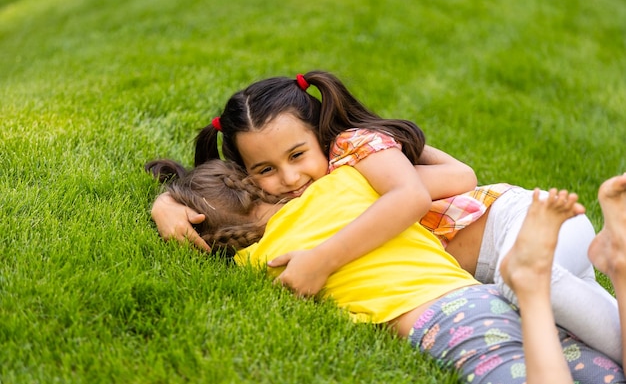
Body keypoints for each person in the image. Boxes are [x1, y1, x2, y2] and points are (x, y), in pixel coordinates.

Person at [149, 70, 621, 363]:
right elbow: (218, 194)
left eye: (297, 154)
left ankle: (612, 254)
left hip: (516, 230)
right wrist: (167, 202)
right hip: (508, 251)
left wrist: (323, 260)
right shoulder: (326, 188)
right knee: (587, 334)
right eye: (265, 170)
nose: (290, 178)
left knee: (532, 288)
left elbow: (412, 198)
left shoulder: (352, 151)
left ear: (319, 134)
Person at [150, 158, 624, 383]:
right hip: (477, 288)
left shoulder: (259, 261)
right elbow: (458, 176)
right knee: (608, 365)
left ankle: (536, 280)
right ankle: (614, 265)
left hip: (445, 323)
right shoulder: (348, 183)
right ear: (258, 185)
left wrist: (167, 201)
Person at [499, 173, 626, 383]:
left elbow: (462, 176)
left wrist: (422, 144)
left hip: (528, 216)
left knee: (517, 278)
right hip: (548, 222)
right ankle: (619, 261)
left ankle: (532, 281)